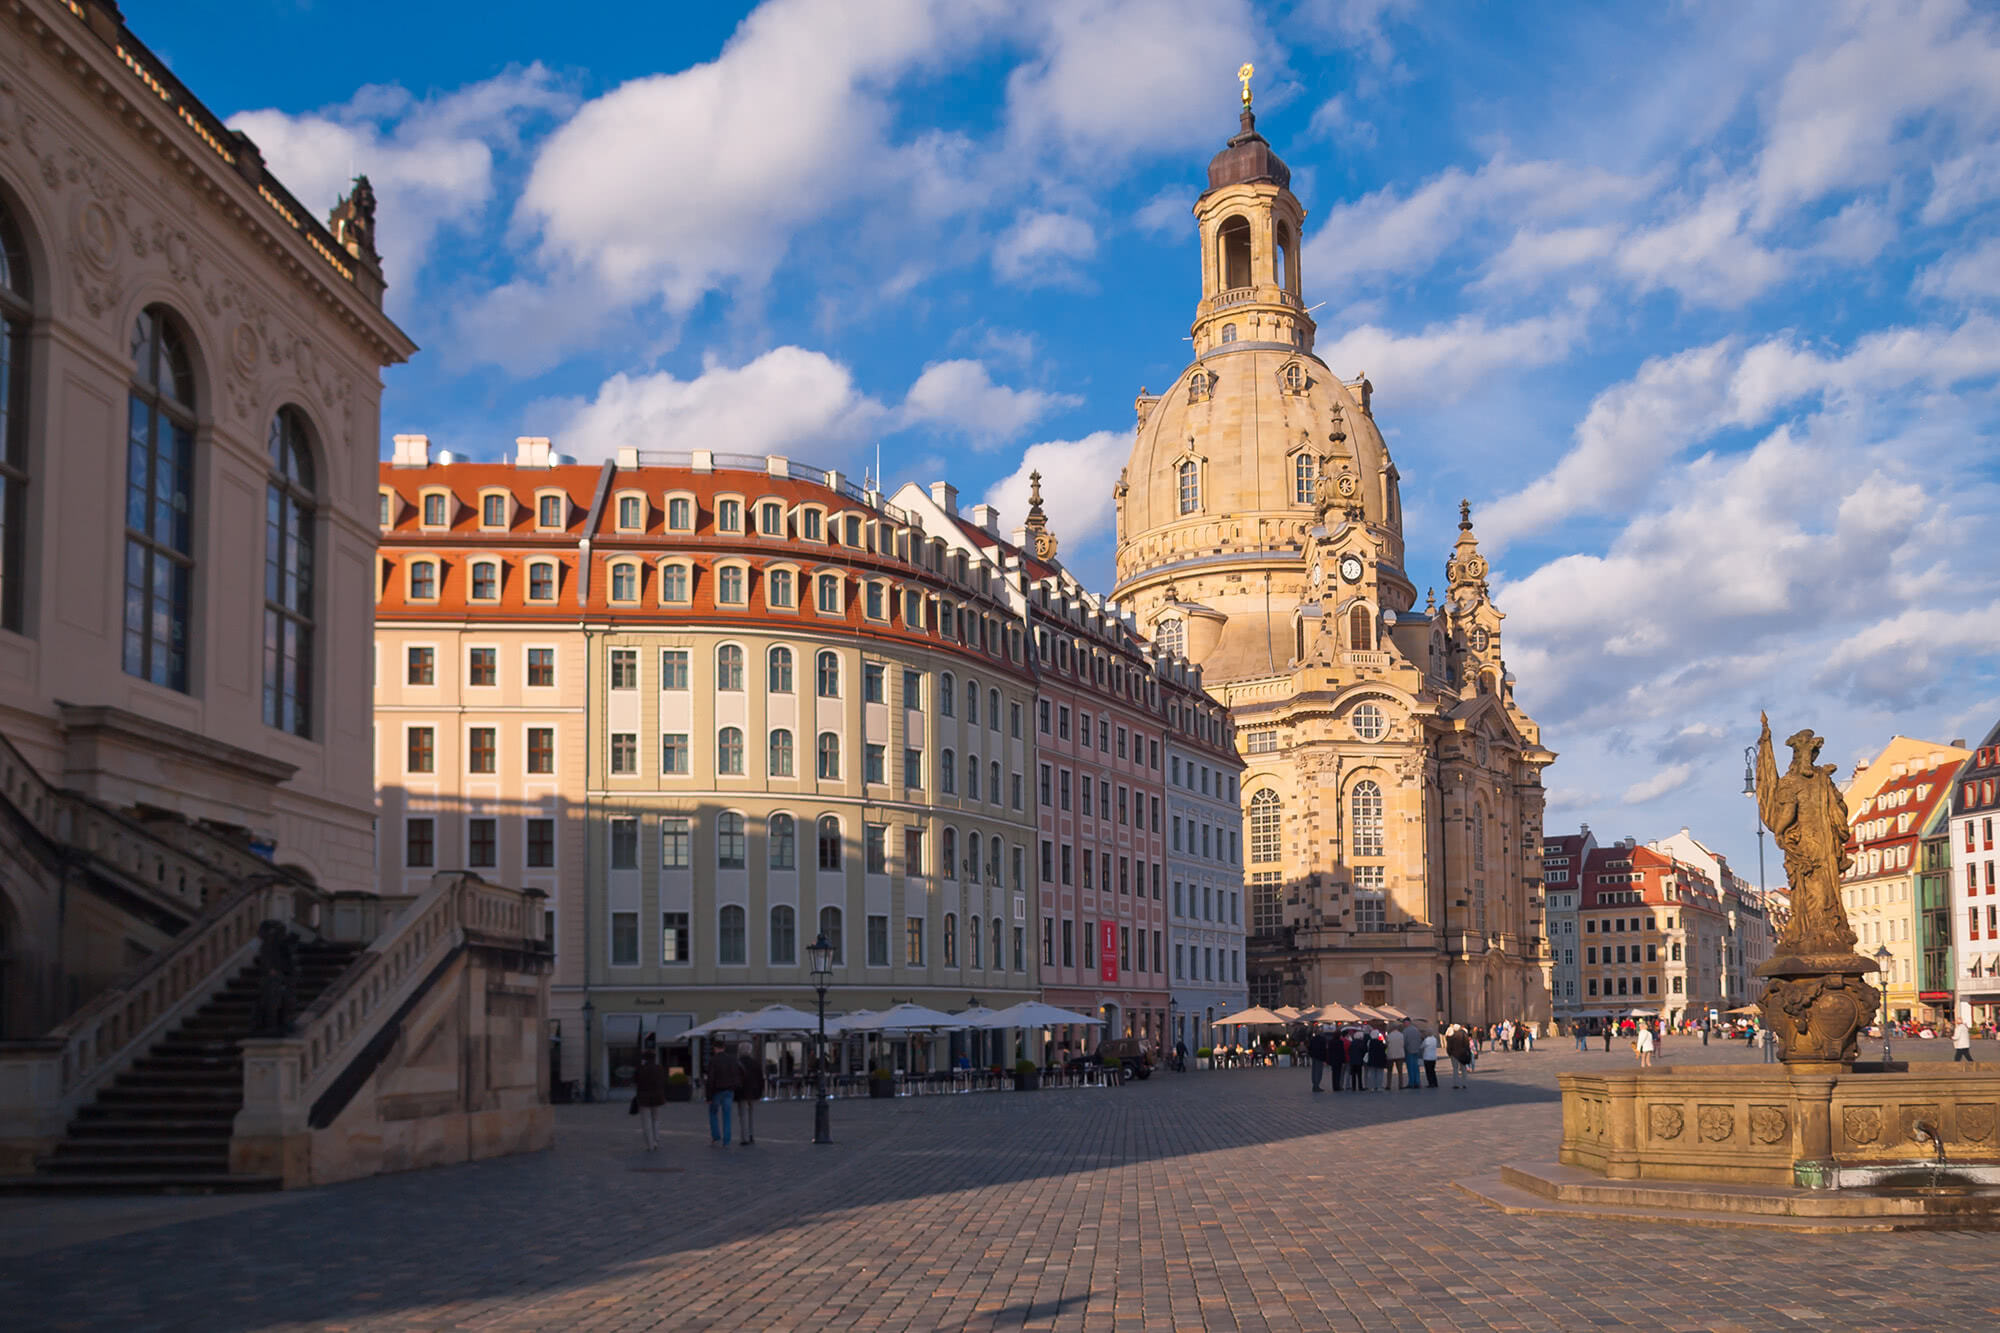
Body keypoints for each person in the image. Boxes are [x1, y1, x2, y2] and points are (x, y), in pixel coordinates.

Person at [705, 1039, 741, 1146]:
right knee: (727, 1116)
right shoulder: (731, 1059)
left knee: (713, 1113)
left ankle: (716, 1136)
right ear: (724, 1048)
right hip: (729, 1091)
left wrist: (708, 1097)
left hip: (717, 1091)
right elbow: (736, 1074)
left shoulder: (713, 1060)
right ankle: (727, 1140)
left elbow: (710, 1079)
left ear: (715, 1048)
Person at [633, 1048, 668, 1151]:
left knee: (646, 1121)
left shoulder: (640, 1069)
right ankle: (656, 1140)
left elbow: (635, 1081)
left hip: (644, 1098)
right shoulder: (659, 1068)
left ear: (644, 1059)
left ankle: (650, 1144)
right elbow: (663, 1081)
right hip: (657, 1097)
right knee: (656, 1119)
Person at [735, 1045, 765, 1145]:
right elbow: (761, 1079)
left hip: (742, 1091)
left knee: (743, 1114)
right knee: (751, 1113)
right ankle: (751, 1134)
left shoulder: (738, 1063)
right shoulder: (755, 1063)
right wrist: (760, 1092)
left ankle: (745, 1137)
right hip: (753, 1092)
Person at [1446, 1024, 1474, 1088]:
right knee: (1464, 1069)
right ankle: (1464, 1083)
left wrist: (1449, 1053)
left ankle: (1455, 1084)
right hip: (1463, 1054)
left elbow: (1449, 1046)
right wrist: (1468, 1053)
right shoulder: (1464, 1035)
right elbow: (1467, 1045)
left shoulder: (1452, 1035)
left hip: (1454, 1054)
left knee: (1455, 1069)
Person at [1400, 1020, 1424, 1089]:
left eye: (1404, 1023)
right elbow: (1420, 1039)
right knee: (1416, 1067)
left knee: (1410, 1067)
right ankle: (1417, 1082)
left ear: (1406, 1023)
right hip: (1417, 1050)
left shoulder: (1405, 1031)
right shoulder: (1416, 1029)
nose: (1403, 1025)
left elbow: (1404, 1041)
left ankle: (1411, 1083)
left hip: (1409, 1050)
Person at [1383, 1023, 1406, 1092]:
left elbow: (1386, 1044)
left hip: (1391, 1055)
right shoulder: (1401, 1035)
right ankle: (1401, 1085)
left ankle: (1388, 1085)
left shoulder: (1389, 1036)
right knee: (1400, 1071)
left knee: (1389, 1071)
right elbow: (1403, 1044)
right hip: (1400, 1055)